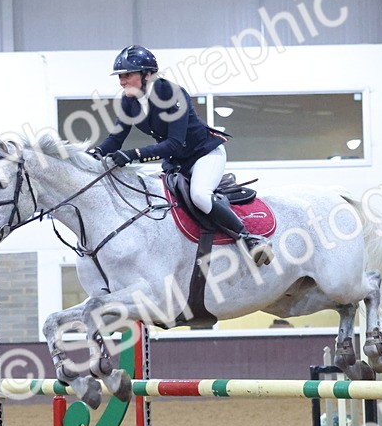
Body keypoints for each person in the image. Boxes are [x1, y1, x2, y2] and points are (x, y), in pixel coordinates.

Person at [90, 45, 273, 266]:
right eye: (120, 76)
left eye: (127, 75)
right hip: (176, 163)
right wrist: (95, 153)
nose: (121, 81)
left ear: (147, 74)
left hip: (204, 155)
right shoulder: (129, 101)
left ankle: (249, 238)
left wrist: (133, 155)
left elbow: (174, 143)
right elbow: (115, 139)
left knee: (199, 195)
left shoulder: (172, 94)